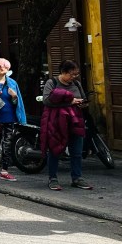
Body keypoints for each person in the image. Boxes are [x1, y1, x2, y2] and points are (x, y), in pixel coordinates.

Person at [41, 60, 93, 191]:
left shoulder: (76, 84)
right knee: (55, 150)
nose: (74, 77)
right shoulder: (52, 83)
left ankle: (77, 178)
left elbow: (82, 98)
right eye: (72, 74)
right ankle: (53, 178)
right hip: (57, 123)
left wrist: (83, 103)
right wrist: (70, 102)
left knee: (77, 152)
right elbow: (46, 101)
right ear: (63, 72)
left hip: (75, 121)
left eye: (76, 74)